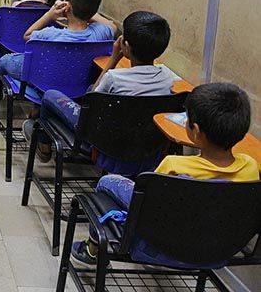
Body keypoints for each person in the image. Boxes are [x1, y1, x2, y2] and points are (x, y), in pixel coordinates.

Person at [71, 83, 259, 266]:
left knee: (107, 181)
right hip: (217, 251)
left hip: (162, 246)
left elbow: (147, 208)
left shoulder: (174, 165)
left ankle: (92, 249)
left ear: (195, 131)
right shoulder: (250, 168)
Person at [31, 11, 177, 166]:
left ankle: (44, 144)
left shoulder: (114, 78)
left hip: (103, 144)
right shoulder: (168, 78)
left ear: (125, 47)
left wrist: (113, 59)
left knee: (50, 95)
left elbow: (93, 99)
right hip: (145, 148)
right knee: (88, 89)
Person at [0, 0, 117, 93]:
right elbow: (114, 27)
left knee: (4, 60)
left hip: (43, 81)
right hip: (77, 86)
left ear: (66, 5)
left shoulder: (51, 34)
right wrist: (90, 11)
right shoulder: (100, 33)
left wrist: (50, 14)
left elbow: (27, 35)